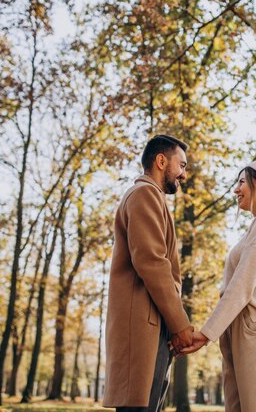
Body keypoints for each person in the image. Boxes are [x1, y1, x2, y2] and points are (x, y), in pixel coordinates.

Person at [179, 159, 256, 412]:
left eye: (242, 182)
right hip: (245, 339)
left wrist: (207, 333)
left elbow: (243, 282)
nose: (236, 189)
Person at [103, 134, 194, 412]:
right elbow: (152, 263)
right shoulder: (143, 194)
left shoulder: (151, 197)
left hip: (154, 327)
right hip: (142, 328)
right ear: (161, 161)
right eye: (182, 165)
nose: (183, 174)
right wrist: (181, 326)